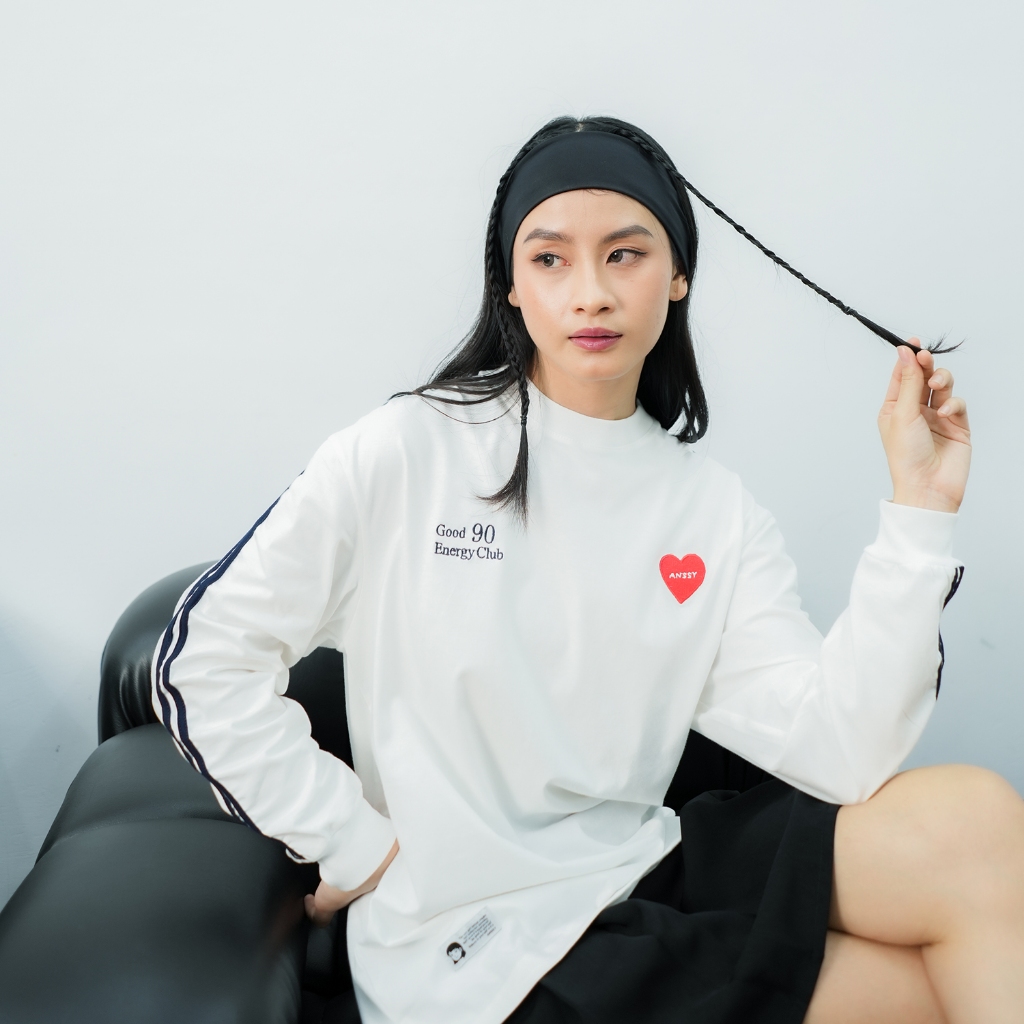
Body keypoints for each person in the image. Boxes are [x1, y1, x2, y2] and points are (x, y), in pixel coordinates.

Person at [151, 116, 1024, 1024]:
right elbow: (202, 661)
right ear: (511, 284)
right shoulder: (408, 452)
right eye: (551, 259)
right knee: (926, 992)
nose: (591, 294)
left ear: (678, 274)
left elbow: (840, 751)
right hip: (479, 941)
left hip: (641, 864)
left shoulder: (714, 511)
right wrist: (353, 844)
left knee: (979, 825)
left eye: (626, 254)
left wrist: (922, 509)